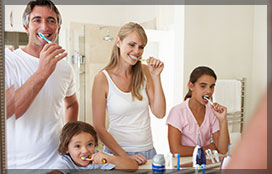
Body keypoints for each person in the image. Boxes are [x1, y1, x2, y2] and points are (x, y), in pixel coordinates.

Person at [5, 0, 78, 168]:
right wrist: (42, 73)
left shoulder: (65, 68)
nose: (45, 27)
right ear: (26, 27)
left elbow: (72, 104)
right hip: (18, 166)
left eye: (51, 20)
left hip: (56, 163)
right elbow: (7, 111)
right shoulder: (9, 61)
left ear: (58, 29)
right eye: (37, 20)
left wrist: (69, 142)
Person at [92, 22, 166, 165]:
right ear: (118, 42)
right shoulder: (102, 79)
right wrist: (125, 157)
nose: (136, 51)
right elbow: (99, 127)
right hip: (117, 154)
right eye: (131, 45)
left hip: (147, 151)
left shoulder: (146, 72)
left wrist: (156, 77)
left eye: (141, 47)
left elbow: (160, 113)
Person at [167, 66, 230, 156]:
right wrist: (208, 148)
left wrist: (223, 120)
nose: (208, 91)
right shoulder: (177, 112)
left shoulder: (213, 112)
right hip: (183, 164)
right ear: (191, 86)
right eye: (203, 86)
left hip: (205, 163)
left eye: (211, 87)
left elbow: (223, 149)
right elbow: (176, 150)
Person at [51, 121, 138, 172]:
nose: (85, 151)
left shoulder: (99, 158)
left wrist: (110, 159)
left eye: (89, 144)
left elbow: (133, 166)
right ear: (66, 148)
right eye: (77, 146)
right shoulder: (66, 162)